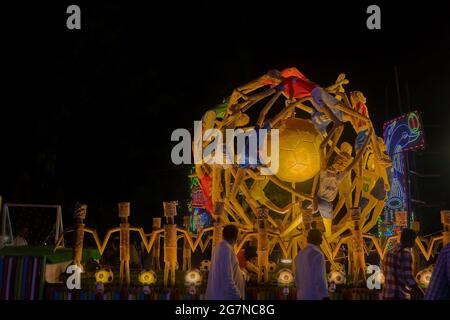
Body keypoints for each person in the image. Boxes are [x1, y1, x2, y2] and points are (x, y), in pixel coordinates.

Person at [381, 228, 424, 300]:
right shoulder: (405, 254)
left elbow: (388, 274)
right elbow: (409, 279)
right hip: (397, 296)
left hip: (386, 294)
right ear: (409, 240)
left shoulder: (389, 253)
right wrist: (422, 293)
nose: (414, 242)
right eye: (413, 240)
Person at [205, 224, 245, 300]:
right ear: (236, 237)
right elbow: (227, 278)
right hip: (227, 297)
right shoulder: (225, 248)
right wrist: (237, 296)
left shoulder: (223, 247)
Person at [294, 229, 329, 300]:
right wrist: (325, 296)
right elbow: (320, 278)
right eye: (320, 236)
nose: (322, 238)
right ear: (318, 239)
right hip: (314, 296)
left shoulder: (299, 255)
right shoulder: (317, 254)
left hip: (301, 296)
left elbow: (297, 279)